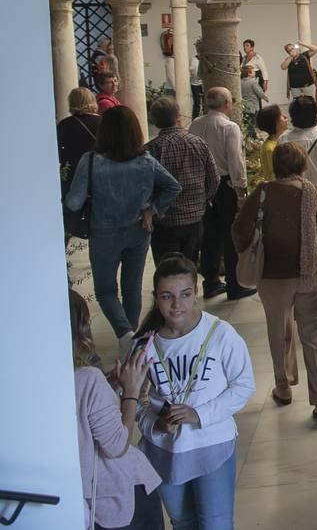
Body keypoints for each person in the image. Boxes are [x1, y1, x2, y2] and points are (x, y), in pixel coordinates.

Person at [134, 254, 255, 529]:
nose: (177, 304)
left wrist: (198, 414)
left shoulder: (221, 334)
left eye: (185, 294)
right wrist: (155, 424)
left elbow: (244, 384)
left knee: (216, 524)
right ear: (156, 296)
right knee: (182, 522)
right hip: (164, 450)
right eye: (167, 296)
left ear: (196, 292)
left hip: (213, 445)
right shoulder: (145, 344)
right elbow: (132, 400)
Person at [229, 142, 317, 418]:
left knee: (279, 330)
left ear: (275, 166)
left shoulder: (262, 193)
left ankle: (283, 386)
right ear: (303, 166)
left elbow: (240, 230)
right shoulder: (314, 192)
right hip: (314, 273)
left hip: (274, 274)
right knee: (316, 335)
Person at [65, 106, 181, 340]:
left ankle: (125, 335)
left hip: (103, 234)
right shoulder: (146, 161)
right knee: (132, 289)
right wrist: (153, 209)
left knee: (106, 291)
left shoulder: (91, 162)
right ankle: (132, 339)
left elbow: (74, 202)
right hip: (139, 230)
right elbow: (173, 187)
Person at [70, 288, 164, 530]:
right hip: (116, 498)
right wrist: (131, 391)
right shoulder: (87, 378)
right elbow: (116, 445)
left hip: (76, 498)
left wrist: (108, 385)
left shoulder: (28, 383)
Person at [189, 87, 254, 302]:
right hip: (225, 185)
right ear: (227, 103)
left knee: (209, 235)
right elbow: (235, 161)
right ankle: (235, 285)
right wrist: (241, 191)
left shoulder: (195, 124)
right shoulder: (229, 127)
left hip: (202, 183)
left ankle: (211, 282)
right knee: (230, 234)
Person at [146, 96, 218, 267]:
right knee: (189, 267)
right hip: (194, 218)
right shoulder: (198, 143)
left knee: (166, 271)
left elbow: (145, 188)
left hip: (164, 221)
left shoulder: (151, 149)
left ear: (154, 121)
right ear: (178, 116)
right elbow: (214, 180)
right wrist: (202, 200)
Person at [58, 87, 103, 239]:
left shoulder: (64, 125)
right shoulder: (102, 123)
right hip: (99, 173)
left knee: (74, 206)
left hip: (72, 173)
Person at [253, 103, 285, 181]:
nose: (285, 117)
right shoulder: (270, 149)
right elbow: (275, 176)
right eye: (281, 115)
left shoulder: (278, 141)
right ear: (275, 122)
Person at [189, 39, 204, 119]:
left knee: (206, 102)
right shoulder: (194, 60)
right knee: (197, 103)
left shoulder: (205, 58)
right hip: (195, 84)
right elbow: (194, 73)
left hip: (204, 84)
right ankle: (194, 120)